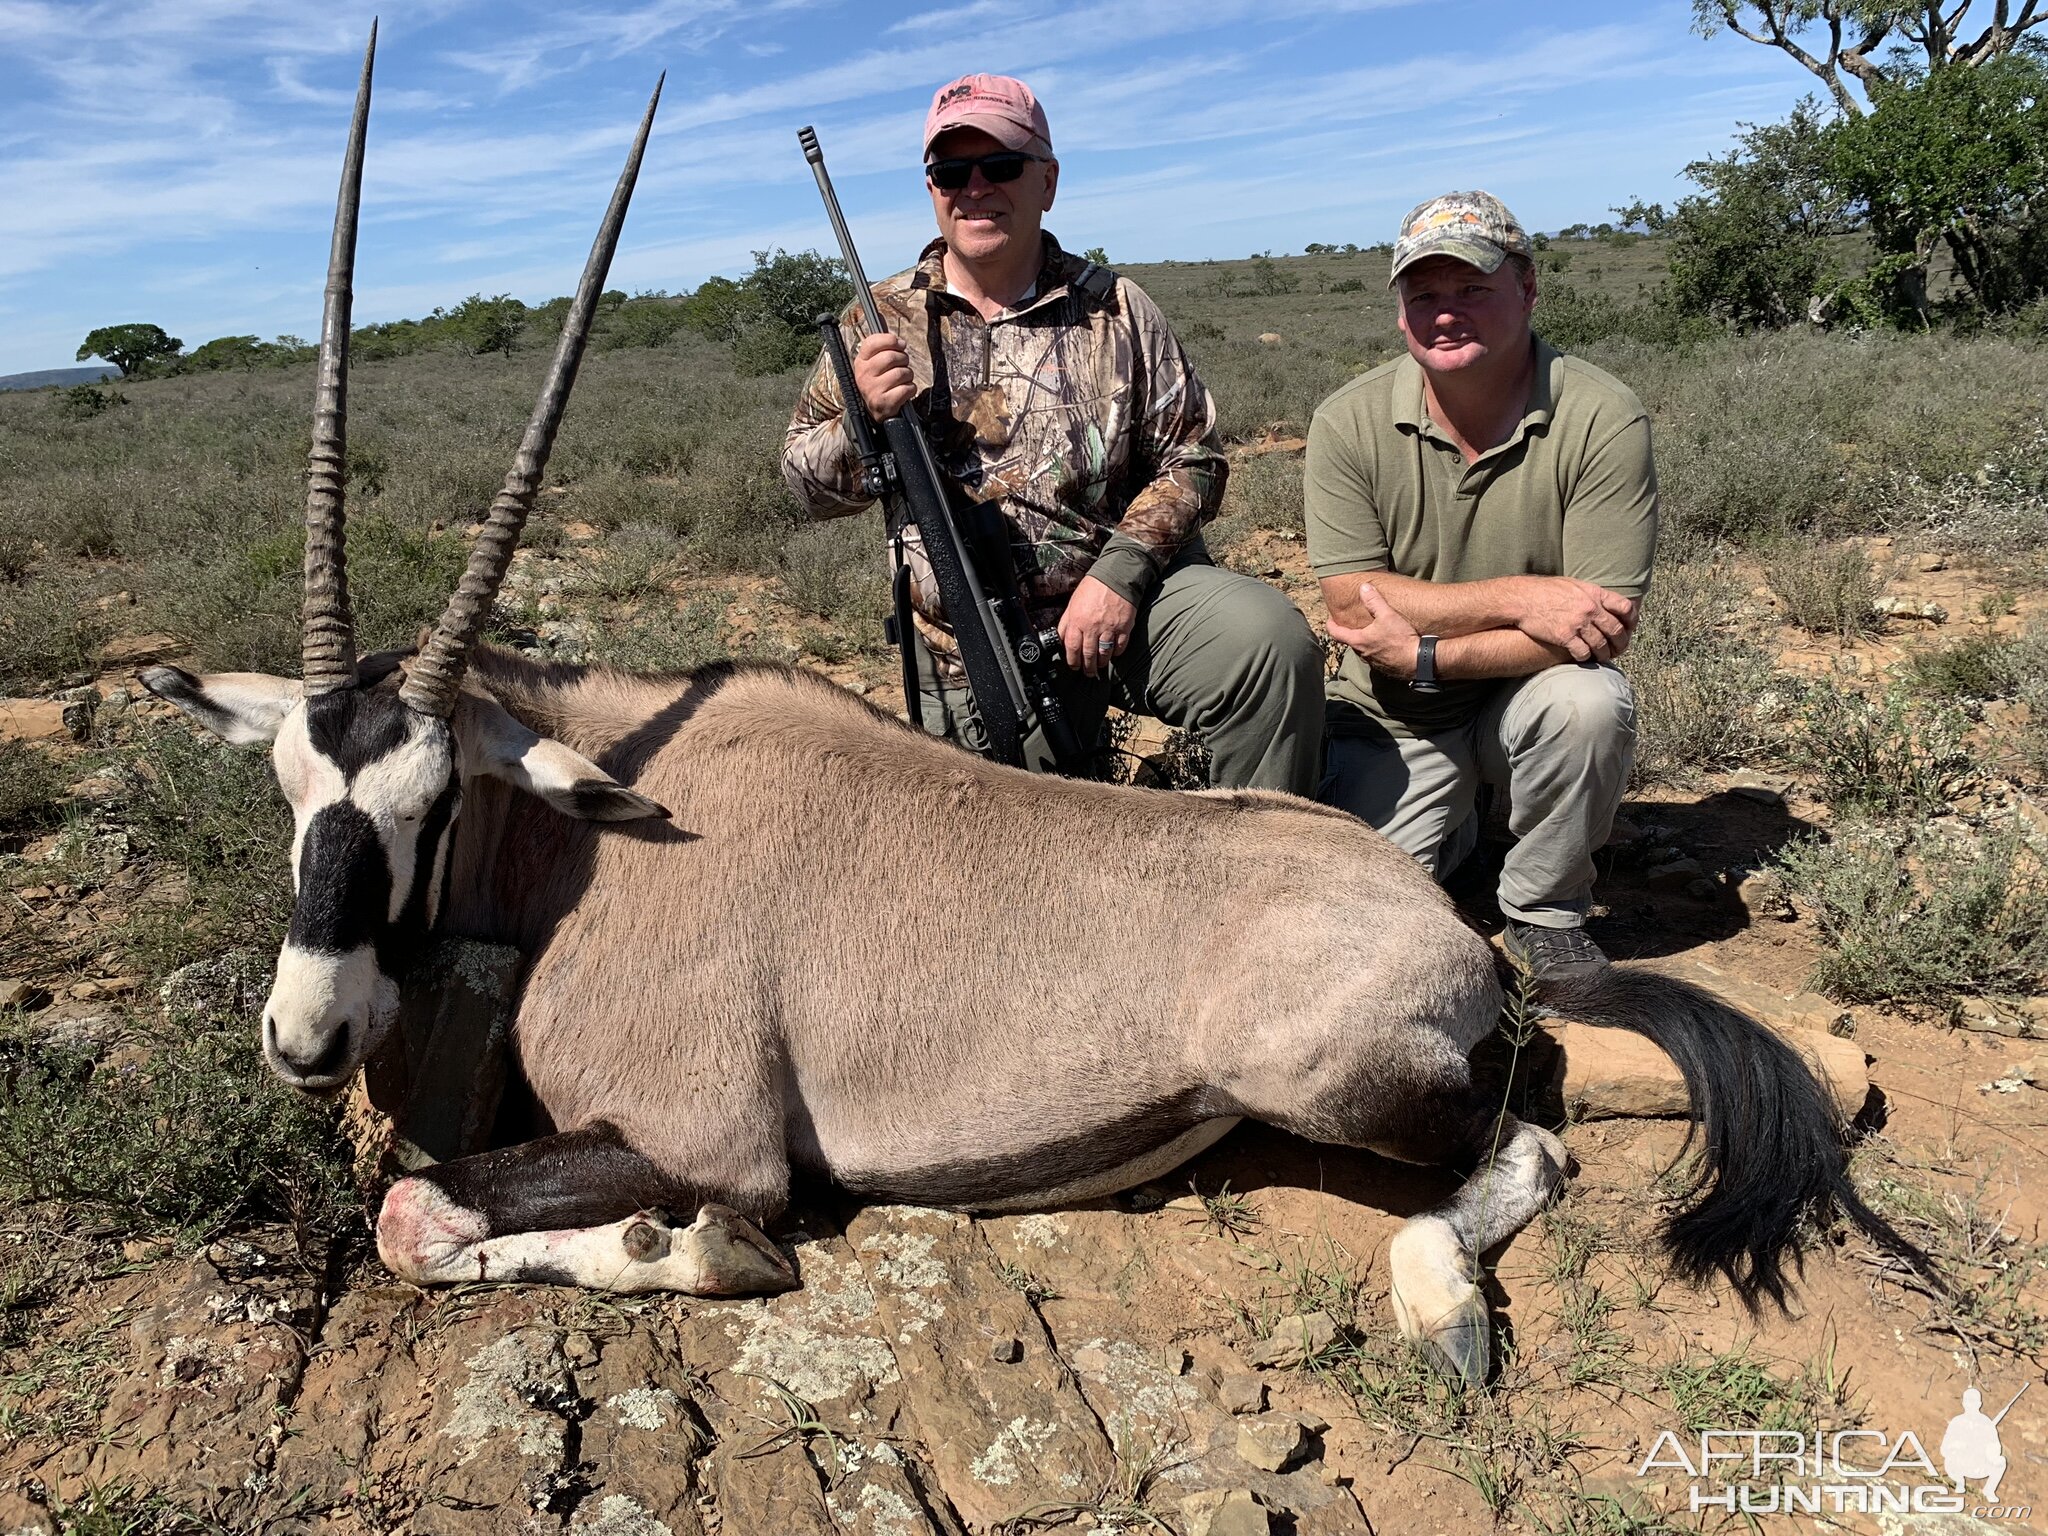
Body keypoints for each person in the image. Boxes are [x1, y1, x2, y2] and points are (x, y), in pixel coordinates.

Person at [783, 73, 1323, 795]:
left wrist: (1118, 576)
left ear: (1047, 181)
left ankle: (1268, 878)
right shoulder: (876, 320)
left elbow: (1194, 456)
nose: (975, 187)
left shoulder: (1119, 308)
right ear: (933, 188)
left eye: (1001, 165)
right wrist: (862, 428)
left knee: (1268, 647)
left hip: (1125, 608)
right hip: (963, 644)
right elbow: (800, 483)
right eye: (951, 171)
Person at [1304, 191, 1656, 980]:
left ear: (1527, 289)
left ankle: (1545, 912)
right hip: (1393, 716)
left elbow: (1603, 626)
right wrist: (1522, 597)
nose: (1446, 313)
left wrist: (1427, 654)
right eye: (1424, 295)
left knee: (1590, 700)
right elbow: (1351, 602)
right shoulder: (1346, 420)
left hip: (1514, 693)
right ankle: (1470, 819)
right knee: (1361, 921)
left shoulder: (1602, 415)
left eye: (1472, 289)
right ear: (1400, 313)